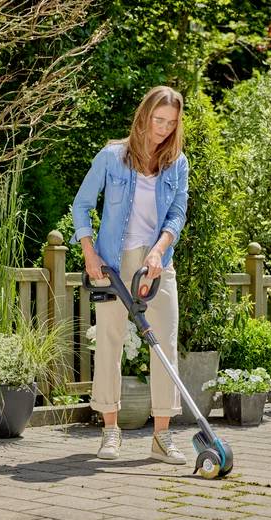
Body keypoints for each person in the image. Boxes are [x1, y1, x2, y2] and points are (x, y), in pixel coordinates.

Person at [70, 86, 189, 463]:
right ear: (143, 116)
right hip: (114, 261)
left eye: (171, 123)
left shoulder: (177, 162)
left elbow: (177, 214)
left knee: (165, 344)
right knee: (109, 340)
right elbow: (82, 206)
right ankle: (109, 430)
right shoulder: (112, 157)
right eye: (158, 120)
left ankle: (162, 437)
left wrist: (158, 252)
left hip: (156, 263)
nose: (163, 129)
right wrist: (90, 253)